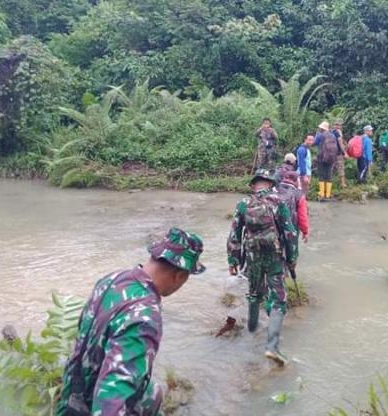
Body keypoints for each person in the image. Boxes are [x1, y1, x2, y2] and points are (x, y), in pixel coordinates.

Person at [58, 227, 204, 416]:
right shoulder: (145, 315)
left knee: (153, 393)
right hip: (90, 407)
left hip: (72, 398)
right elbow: (112, 399)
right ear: (180, 276)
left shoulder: (112, 279)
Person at [227, 169, 298, 366]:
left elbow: (234, 233)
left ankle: (251, 330)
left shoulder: (243, 204)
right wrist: (292, 258)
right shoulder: (278, 202)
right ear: (271, 184)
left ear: (253, 185)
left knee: (254, 292)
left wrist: (233, 261)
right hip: (274, 255)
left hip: (252, 255)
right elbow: (290, 233)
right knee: (278, 298)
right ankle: (272, 347)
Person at [277, 166, 310, 243]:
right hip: (291, 227)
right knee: (291, 252)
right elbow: (302, 216)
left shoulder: (274, 190)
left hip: (274, 227)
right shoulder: (299, 195)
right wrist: (305, 232)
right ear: (296, 181)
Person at [313, 121, 339, 201]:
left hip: (321, 157)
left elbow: (314, 143)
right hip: (331, 158)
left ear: (321, 128)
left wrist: (316, 135)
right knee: (328, 176)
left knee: (321, 175)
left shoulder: (320, 135)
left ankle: (322, 193)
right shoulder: (333, 135)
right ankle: (328, 194)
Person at [332, 119, 348, 188]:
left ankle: (331, 184)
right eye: (339, 125)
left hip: (331, 153)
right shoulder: (338, 133)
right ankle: (343, 184)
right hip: (338, 153)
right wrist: (345, 153)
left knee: (332, 168)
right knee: (341, 168)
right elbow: (340, 143)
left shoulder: (331, 132)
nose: (339, 126)